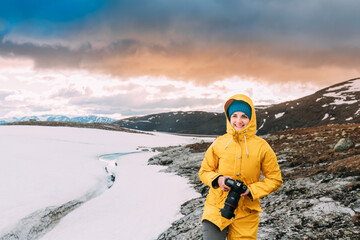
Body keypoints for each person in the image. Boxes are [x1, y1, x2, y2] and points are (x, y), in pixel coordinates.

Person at [199, 94, 283, 239]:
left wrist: (251, 190)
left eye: (244, 116)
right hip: (216, 207)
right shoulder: (219, 143)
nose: (238, 121)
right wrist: (218, 180)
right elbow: (204, 171)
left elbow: (275, 179)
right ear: (229, 118)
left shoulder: (262, 147)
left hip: (247, 212)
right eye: (234, 116)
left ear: (251, 119)